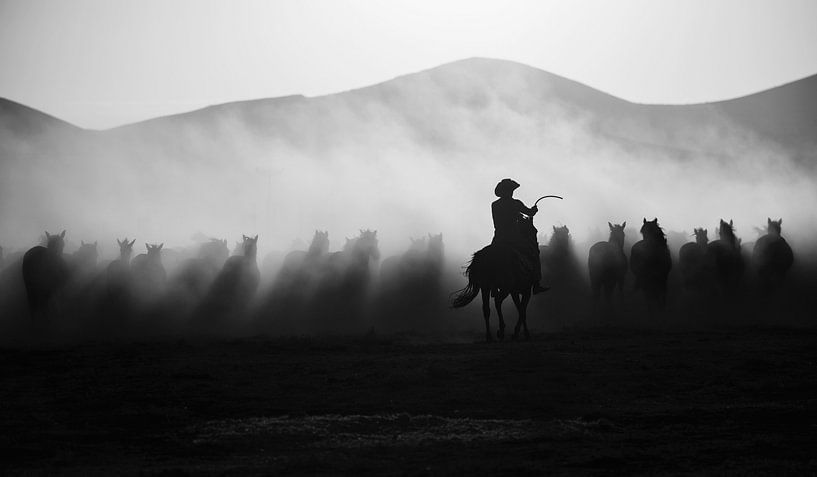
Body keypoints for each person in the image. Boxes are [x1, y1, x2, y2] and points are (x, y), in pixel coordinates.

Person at [491, 178, 549, 294]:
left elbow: (497, 223)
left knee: (492, 259)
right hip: (514, 238)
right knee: (534, 253)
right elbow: (530, 213)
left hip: (498, 238)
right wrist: (534, 210)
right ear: (509, 191)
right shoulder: (515, 203)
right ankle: (536, 284)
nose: (512, 192)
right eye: (511, 190)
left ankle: (493, 286)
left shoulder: (495, 205)